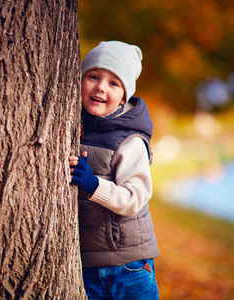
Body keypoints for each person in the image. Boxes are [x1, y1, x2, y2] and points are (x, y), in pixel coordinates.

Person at [69, 41, 159, 299]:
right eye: (93, 77)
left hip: (128, 265)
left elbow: (135, 198)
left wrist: (93, 184)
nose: (100, 87)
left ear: (124, 96)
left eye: (113, 83)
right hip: (86, 265)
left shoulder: (130, 141)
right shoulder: (76, 125)